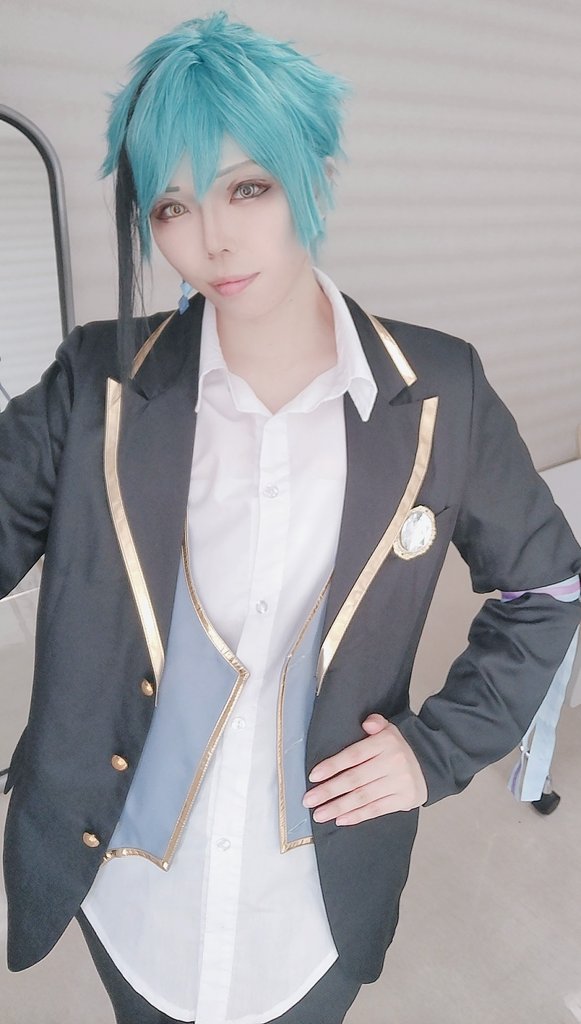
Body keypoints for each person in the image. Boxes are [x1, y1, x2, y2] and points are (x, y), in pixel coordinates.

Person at [2, 13, 580, 1024]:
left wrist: (435, 751)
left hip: (312, 913)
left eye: (247, 188)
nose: (211, 240)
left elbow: (546, 584)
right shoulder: (95, 384)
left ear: (313, 169)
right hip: (127, 892)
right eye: (172, 205)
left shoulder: (436, 391)